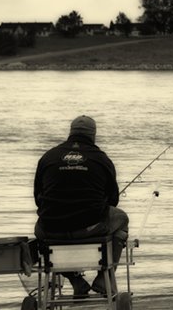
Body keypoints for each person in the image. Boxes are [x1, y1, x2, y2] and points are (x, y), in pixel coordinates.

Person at [34, 115, 129, 297]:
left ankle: (76, 280)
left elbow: (38, 199)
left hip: (51, 230)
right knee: (122, 218)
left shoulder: (48, 157)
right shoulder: (101, 159)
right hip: (90, 229)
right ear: (93, 135)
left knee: (40, 230)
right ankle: (104, 277)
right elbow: (113, 200)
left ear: (71, 132)